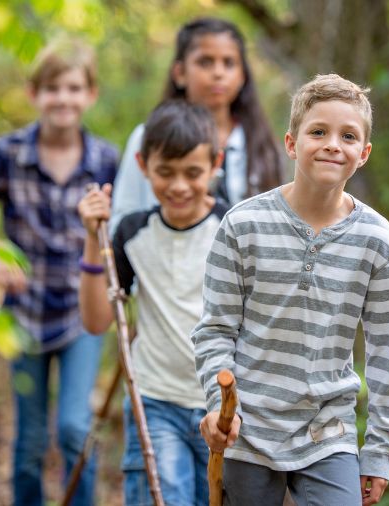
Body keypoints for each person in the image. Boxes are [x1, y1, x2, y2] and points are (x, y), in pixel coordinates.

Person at [193, 74, 389, 506]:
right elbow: (215, 330)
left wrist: (379, 451)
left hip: (329, 431)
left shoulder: (376, 239)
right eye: (318, 132)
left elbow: (387, 352)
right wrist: (220, 405)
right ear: (291, 144)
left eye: (348, 136)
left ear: (363, 154)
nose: (332, 144)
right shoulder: (242, 225)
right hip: (248, 428)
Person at [0, 38, 118, 506]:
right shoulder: (8, 153)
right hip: (22, 315)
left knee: (74, 428)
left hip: (81, 316)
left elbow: (124, 228)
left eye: (73, 88)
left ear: (90, 94)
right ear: (34, 93)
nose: (63, 99)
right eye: (52, 88)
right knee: (30, 441)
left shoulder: (105, 160)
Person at [78, 100, 229, 506]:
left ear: (215, 164)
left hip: (221, 408)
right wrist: (94, 239)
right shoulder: (132, 233)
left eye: (192, 173)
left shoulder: (233, 230)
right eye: (165, 172)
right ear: (143, 165)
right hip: (155, 400)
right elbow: (95, 321)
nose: (179, 186)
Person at [109, 17, 283, 229]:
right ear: (180, 73)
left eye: (229, 63)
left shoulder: (261, 144)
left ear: (242, 76)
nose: (218, 73)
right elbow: (122, 219)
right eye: (205, 62)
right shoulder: (146, 138)